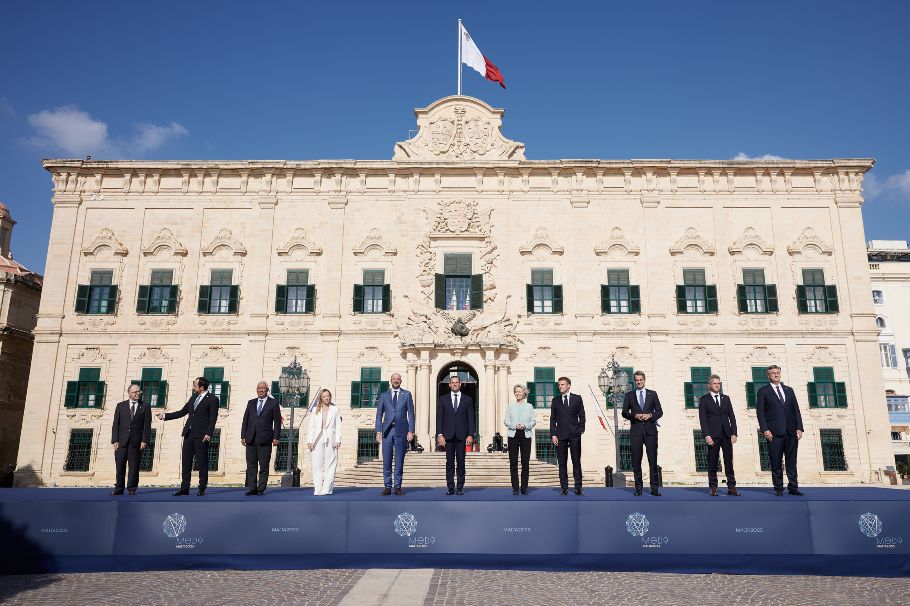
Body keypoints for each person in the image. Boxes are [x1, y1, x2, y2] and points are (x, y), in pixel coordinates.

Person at [157, 377, 219, 496]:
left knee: (202, 462)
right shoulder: (193, 398)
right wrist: (165, 416)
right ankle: (184, 488)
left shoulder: (213, 399)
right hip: (189, 434)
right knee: (186, 462)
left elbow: (213, 419)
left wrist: (208, 433)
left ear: (202, 387)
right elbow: (182, 412)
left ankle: (202, 488)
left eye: (195, 386)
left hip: (202, 435)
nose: (193, 388)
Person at [756, 364, 804, 496]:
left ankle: (793, 487)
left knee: (791, 461)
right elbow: (760, 413)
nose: (776, 375)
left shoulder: (789, 390)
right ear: (768, 376)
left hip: (791, 431)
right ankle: (778, 487)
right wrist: (765, 430)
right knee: (776, 461)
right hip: (774, 432)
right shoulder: (763, 391)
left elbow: (796, 410)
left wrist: (799, 427)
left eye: (777, 372)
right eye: (773, 373)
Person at [622, 370, 663, 496]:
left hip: (650, 431)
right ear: (634, 382)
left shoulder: (653, 394)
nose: (639, 382)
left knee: (653, 461)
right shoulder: (629, 395)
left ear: (644, 380)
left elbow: (660, 412)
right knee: (636, 460)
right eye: (636, 380)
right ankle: (638, 487)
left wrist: (650, 415)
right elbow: (624, 412)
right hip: (636, 431)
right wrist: (636, 416)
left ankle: (654, 488)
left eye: (641, 380)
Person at [698, 374, 740, 496]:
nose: (717, 385)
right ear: (709, 385)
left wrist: (734, 433)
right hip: (713, 435)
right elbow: (703, 419)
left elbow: (732, 416)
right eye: (715, 383)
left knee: (728, 461)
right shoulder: (704, 399)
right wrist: (707, 435)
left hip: (726, 434)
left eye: (718, 383)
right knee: (712, 462)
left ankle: (731, 486)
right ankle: (713, 487)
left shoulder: (726, 398)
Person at [375, 373, 415, 495]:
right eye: (394, 379)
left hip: (402, 430)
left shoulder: (407, 394)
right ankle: (387, 486)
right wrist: (378, 431)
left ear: (401, 381)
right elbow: (379, 414)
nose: (396, 381)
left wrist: (411, 430)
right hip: (387, 430)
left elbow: (411, 414)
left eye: (398, 379)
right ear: (390, 381)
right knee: (386, 459)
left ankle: (397, 486)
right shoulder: (384, 395)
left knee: (399, 460)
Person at [241, 381, 281, 495]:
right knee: (251, 465)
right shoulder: (251, 403)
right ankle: (252, 488)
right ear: (256, 390)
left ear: (267, 390)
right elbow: (245, 420)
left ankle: (261, 488)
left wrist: (276, 437)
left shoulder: (273, 403)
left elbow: (277, 422)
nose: (261, 390)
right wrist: (243, 436)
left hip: (265, 438)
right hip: (250, 438)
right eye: (259, 388)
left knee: (263, 465)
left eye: (263, 388)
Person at [437, 375, 475, 495]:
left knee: (461, 462)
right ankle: (450, 487)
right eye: (452, 382)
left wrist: (470, 435)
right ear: (449, 384)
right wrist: (440, 434)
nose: (454, 384)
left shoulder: (467, 399)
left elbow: (471, 418)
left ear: (460, 384)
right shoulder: (443, 399)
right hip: (447, 435)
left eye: (456, 382)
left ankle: (460, 487)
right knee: (449, 462)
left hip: (461, 435)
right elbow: (439, 418)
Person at [111, 384, 152, 495]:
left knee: (134, 466)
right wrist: (115, 440)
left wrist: (145, 440)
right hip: (122, 441)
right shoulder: (120, 406)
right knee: (120, 466)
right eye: (135, 392)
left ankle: (132, 488)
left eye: (139, 391)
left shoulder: (145, 406)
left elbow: (147, 425)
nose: (138, 393)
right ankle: (119, 488)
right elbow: (115, 424)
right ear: (129, 393)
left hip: (137, 441)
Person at [550, 377, 586, 495]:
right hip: (560, 435)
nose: (560, 386)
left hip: (574, 434)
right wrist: (553, 434)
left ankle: (578, 487)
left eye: (562, 384)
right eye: (559, 385)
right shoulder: (555, 401)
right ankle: (564, 487)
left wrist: (580, 429)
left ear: (568, 385)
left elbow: (582, 415)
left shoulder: (577, 398)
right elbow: (552, 419)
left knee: (576, 462)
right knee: (562, 463)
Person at [307, 389, 342, 495]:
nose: (326, 398)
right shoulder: (315, 410)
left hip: (331, 437)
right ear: (321, 399)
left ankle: (327, 489)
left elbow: (338, 425)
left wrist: (338, 440)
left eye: (328, 396)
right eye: (324, 396)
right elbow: (311, 427)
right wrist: (310, 441)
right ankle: (317, 489)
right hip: (317, 437)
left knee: (331, 463)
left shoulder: (335, 409)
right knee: (316, 464)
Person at [504, 384, 536, 495]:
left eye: (520, 391)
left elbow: (533, 421)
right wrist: (514, 425)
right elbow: (506, 421)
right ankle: (515, 488)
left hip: (525, 435)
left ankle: (524, 488)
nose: (517, 393)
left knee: (525, 463)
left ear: (524, 393)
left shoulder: (529, 406)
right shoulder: (510, 406)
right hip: (513, 435)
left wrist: (525, 425)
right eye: (516, 392)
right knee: (513, 462)